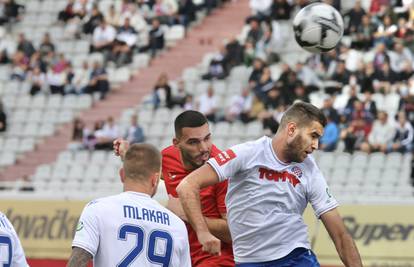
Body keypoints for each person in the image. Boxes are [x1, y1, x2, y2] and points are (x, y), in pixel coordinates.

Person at [176, 102, 362, 266]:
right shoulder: (247, 154)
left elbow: (340, 235)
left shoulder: (310, 170)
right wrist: (203, 232)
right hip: (249, 262)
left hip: (296, 258)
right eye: (313, 136)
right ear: (291, 130)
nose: (315, 145)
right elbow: (187, 185)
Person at [114, 110, 235, 267]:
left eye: (207, 138)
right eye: (193, 142)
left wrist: (188, 214)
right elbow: (144, 168)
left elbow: (232, 233)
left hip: (215, 257)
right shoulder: (168, 158)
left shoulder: (222, 170)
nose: (204, 148)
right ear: (176, 143)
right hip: (178, 255)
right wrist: (127, 153)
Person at [67, 143, 191, 267]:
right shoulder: (176, 224)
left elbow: (77, 262)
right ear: (155, 179)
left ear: (122, 174)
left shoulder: (98, 209)